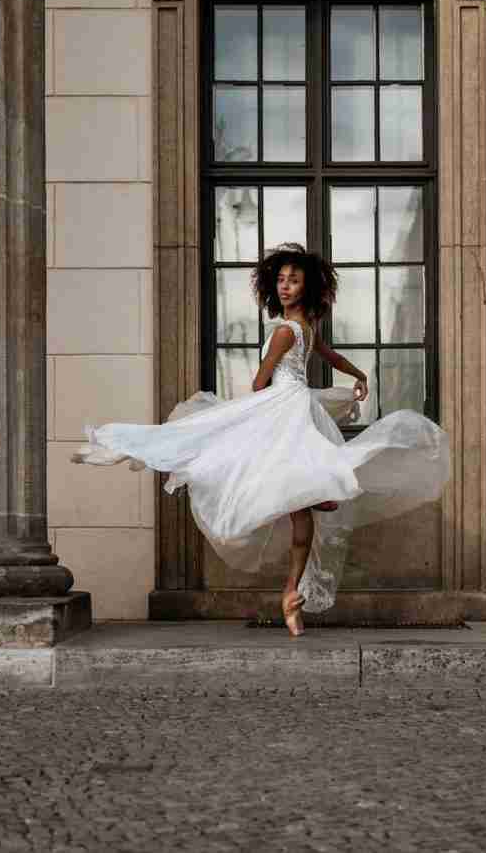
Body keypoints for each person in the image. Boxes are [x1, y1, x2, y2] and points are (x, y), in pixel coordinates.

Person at [72, 242, 450, 637]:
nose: (286, 287)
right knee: (299, 503)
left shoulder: (287, 331)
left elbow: (260, 380)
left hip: (287, 407)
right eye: (281, 280)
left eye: (294, 281)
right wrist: (359, 375)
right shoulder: (305, 328)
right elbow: (330, 356)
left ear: (308, 287)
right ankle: (292, 591)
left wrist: (252, 411)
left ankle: (292, 582)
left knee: (221, 451)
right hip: (299, 408)